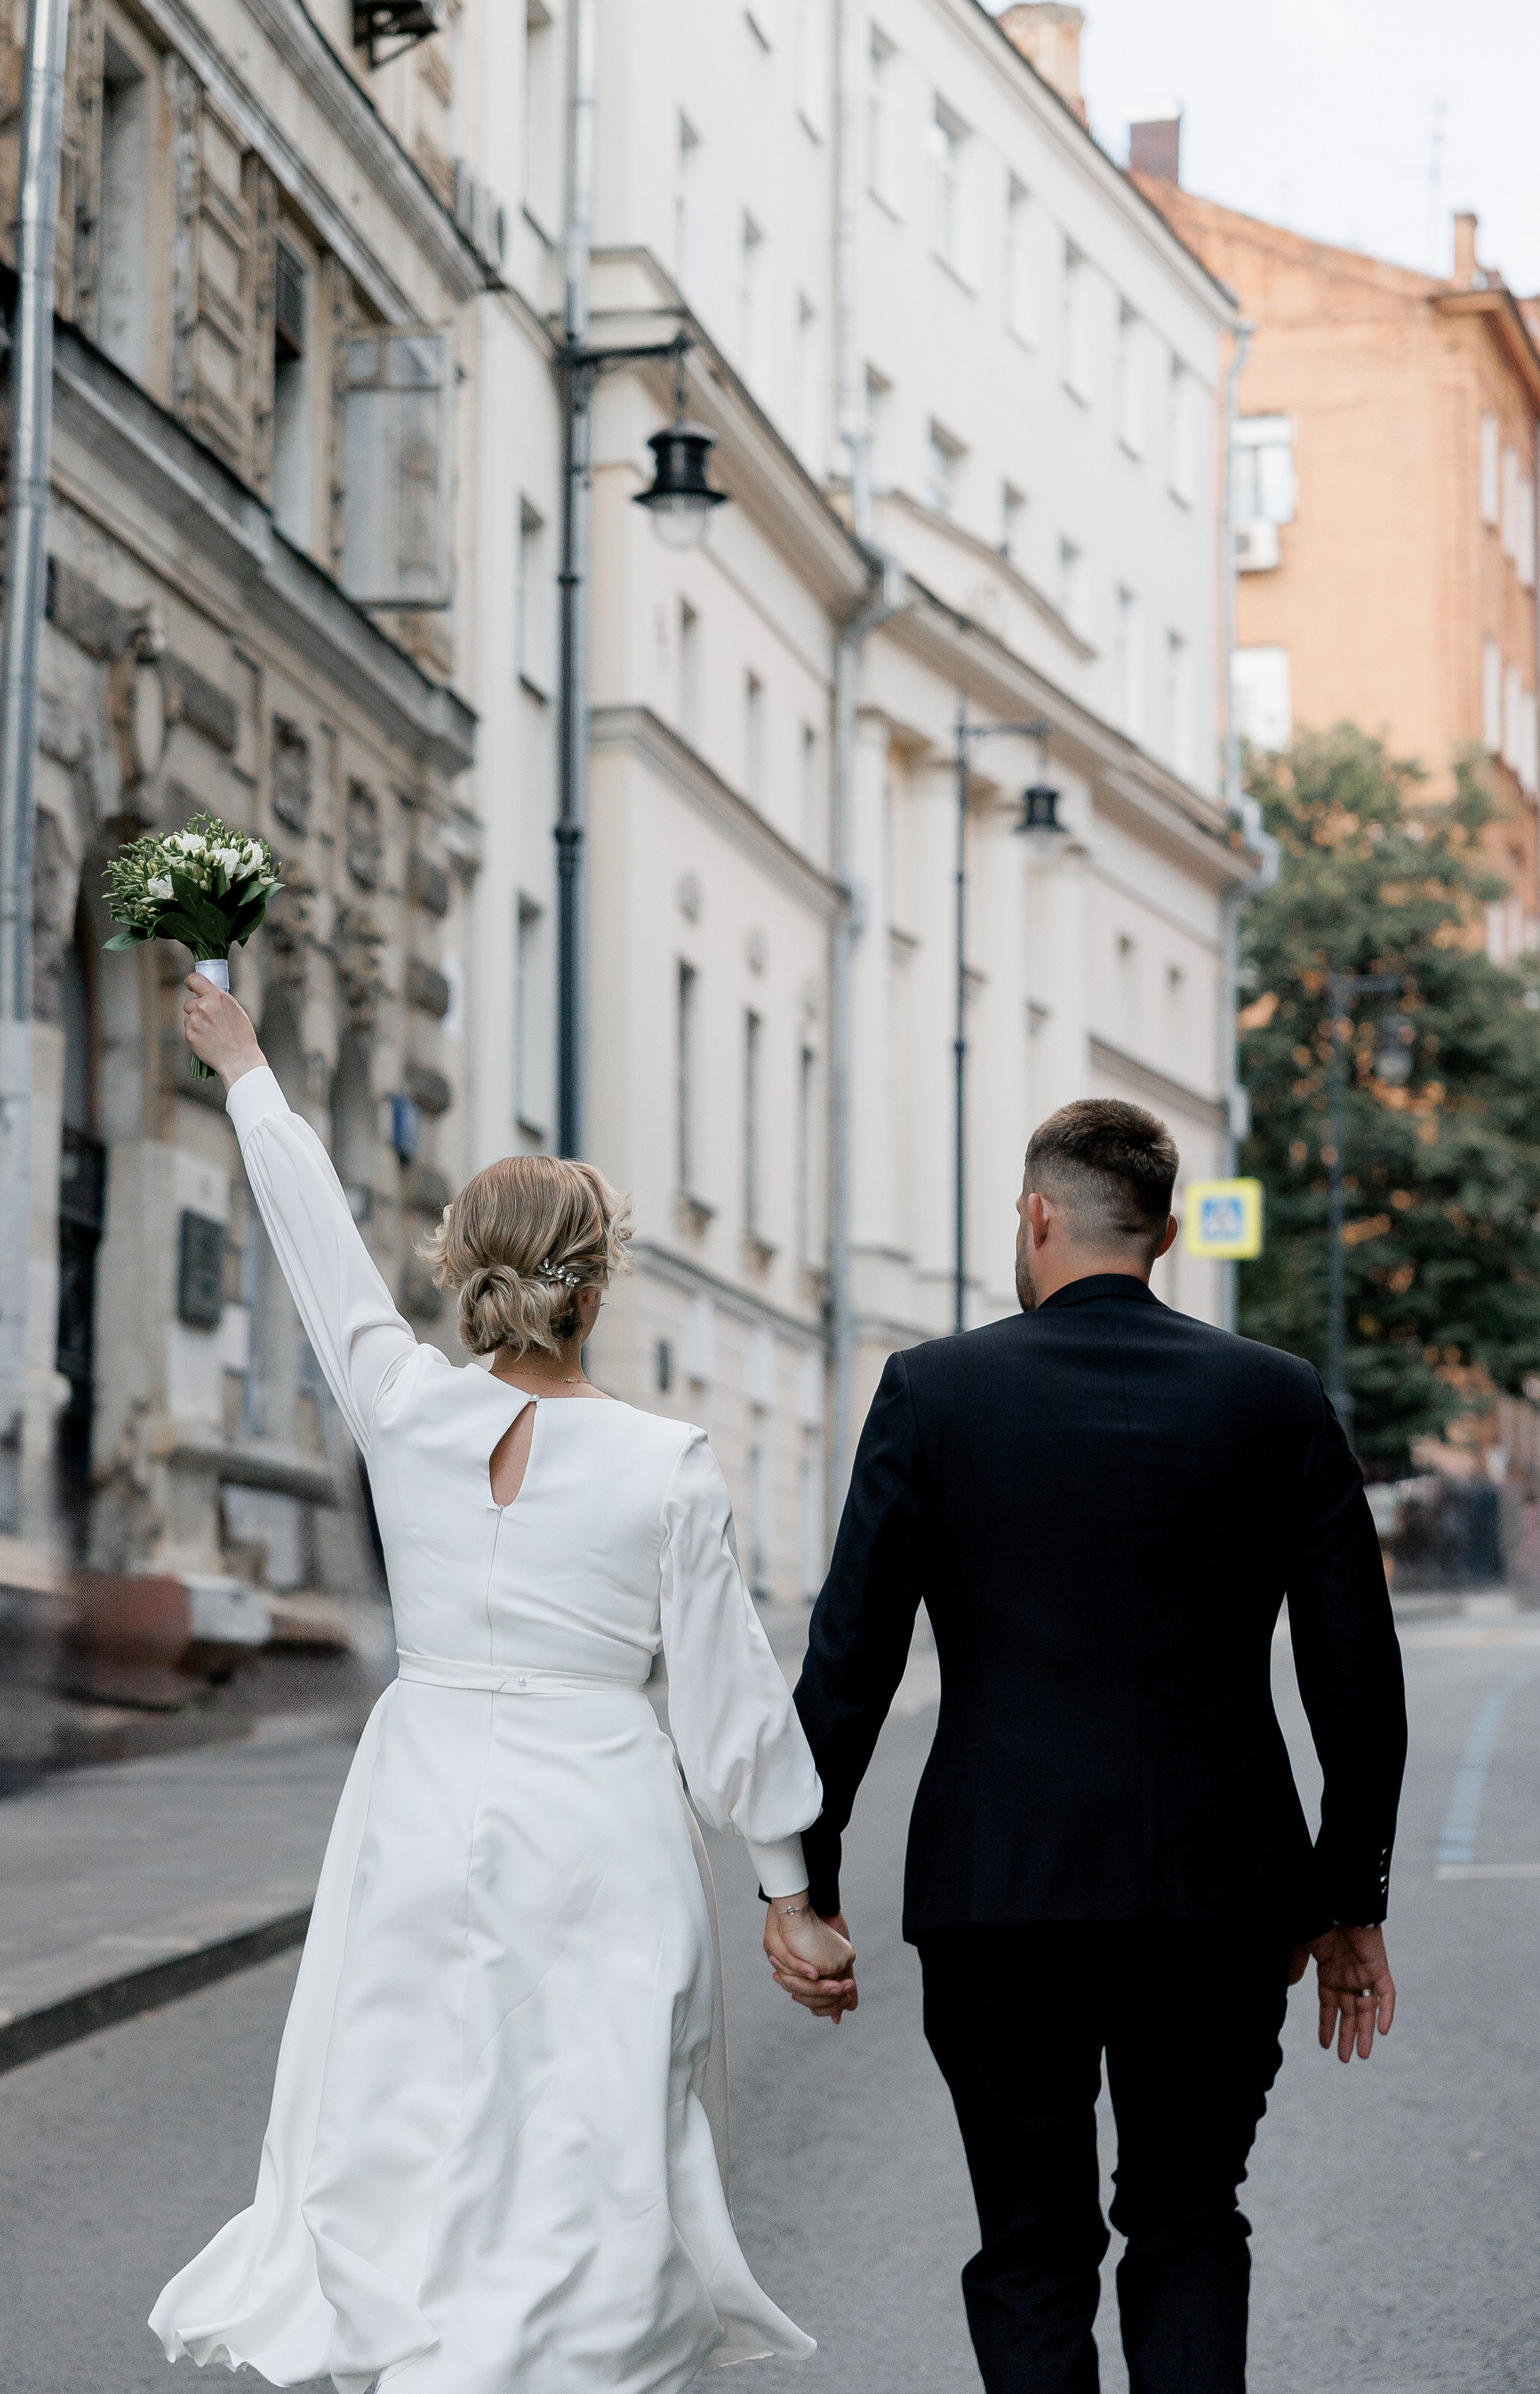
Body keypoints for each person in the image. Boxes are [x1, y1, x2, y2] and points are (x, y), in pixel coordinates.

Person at [151, 973, 855, 2393]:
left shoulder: (403, 1409)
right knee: (593, 2144)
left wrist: (248, 1074)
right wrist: (789, 1893)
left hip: (417, 1810)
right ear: (595, 1287)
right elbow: (728, 1703)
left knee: (412, 2127)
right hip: (600, 1825)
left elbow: (319, 1256)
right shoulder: (664, 1465)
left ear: (461, 1274)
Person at [780, 1097, 1407, 2394]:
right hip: (1222, 1897)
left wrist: (806, 1878)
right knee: (1189, 2216)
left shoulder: (934, 1392)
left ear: (1035, 1216)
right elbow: (1357, 1679)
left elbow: (850, 1660)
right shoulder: (1277, 1398)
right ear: (1168, 1236)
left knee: (1030, 2244)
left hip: (1000, 1891)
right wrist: (1351, 1899)